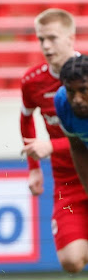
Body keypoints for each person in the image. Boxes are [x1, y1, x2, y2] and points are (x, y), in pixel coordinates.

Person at [20, 8, 88, 273]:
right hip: (67, 179)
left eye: (52, 38)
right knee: (71, 261)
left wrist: (50, 145)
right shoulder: (33, 82)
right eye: (40, 40)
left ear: (70, 38)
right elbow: (25, 118)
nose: (46, 46)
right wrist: (34, 169)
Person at [56, 55, 88, 199]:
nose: (77, 99)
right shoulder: (62, 102)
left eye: (83, 90)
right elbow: (78, 148)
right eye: (71, 91)